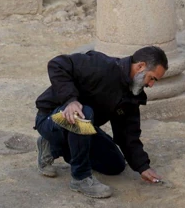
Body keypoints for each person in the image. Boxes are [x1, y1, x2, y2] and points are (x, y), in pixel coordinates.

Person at [34, 46, 168, 198]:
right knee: (84, 113)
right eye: (152, 78)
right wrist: (70, 100)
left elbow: (128, 134)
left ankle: (52, 147)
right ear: (140, 66)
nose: (151, 85)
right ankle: (80, 178)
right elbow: (57, 64)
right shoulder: (102, 66)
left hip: (82, 127)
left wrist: (143, 167)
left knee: (115, 164)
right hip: (50, 118)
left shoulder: (132, 96)